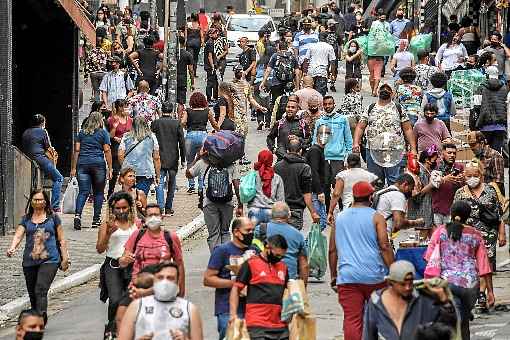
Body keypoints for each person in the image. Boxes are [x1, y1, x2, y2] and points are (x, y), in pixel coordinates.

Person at [329, 181, 393, 340]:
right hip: (374, 277)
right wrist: (393, 271)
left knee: (352, 319)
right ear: (371, 197)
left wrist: (333, 275)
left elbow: (332, 249)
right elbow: (384, 245)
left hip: (348, 277)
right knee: (374, 317)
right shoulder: (377, 217)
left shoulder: (340, 218)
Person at [424, 200, 492, 340]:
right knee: (464, 321)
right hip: (470, 285)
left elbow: (429, 258)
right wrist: (489, 291)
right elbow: (484, 266)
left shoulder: (440, 232)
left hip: (446, 284)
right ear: (468, 216)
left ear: (451, 213)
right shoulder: (475, 234)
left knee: (450, 321)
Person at [6, 189, 69, 323]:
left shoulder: (53, 218)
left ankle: (39, 320)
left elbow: (62, 239)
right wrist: (12, 247)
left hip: (50, 260)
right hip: (29, 261)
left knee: (41, 289)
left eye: (40, 199)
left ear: (46, 201)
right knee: (33, 294)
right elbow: (18, 235)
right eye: (35, 199)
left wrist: (65, 258)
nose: (38, 202)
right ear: (31, 201)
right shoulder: (26, 219)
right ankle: (39, 314)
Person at [453, 160, 506, 310]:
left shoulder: (490, 190)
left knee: (487, 263)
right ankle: (482, 293)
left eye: (474, 175)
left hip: (488, 232)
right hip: (467, 234)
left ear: (481, 175)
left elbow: (499, 214)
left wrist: (502, 233)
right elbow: (454, 216)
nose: (471, 178)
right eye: (468, 175)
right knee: (474, 265)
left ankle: (486, 293)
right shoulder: (460, 193)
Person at [362, 261, 457, 340]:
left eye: (410, 283)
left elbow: (447, 327)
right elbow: (369, 334)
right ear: (390, 282)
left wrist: (444, 301)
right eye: (402, 284)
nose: (407, 288)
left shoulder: (422, 299)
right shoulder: (376, 302)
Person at [118, 262, 203, 340]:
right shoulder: (137, 306)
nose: (165, 282)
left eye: (170, 278)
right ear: (154, 281)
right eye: (160, 277)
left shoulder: (189, 309)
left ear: (177, 282)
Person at [353, 83, 417, 186]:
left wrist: (413, 148)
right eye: (382, 89)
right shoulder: (370, 108)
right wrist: (356, 142)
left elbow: (408, 129)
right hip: (373, 151)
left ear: (392, 93)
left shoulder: (398, 108)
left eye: (388, 89)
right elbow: (360, 127)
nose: (385, 91)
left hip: (394, 151)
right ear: (378, 92)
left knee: (395, 181)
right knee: (375, 182)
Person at [230, 235, 289, 340]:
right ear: (267, 247)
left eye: (282, 256)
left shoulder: (283, 267)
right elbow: (236, 289)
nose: (279, 259)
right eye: (277, 255)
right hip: (257, 325)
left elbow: (286, 292)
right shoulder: (250, 264)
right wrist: (233, 315)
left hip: (280, 326)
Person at [204, 217, 255, 340]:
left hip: (252, 307)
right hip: (226, 307)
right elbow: (208, 279)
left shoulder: (254, 251)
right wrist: (235, 283)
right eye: (248, 231)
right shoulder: (222, 251)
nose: (251, 234)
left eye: (252, 231)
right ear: (237, 232)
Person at [96, 192, 138, 339]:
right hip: (113, 265)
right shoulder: (107, 224)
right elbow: (100, 249)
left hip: (133, 266)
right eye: (117, 208)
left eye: (124, 208)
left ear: (129, 207)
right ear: (112, 208)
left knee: (132, 300)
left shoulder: (136, 224)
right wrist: (108, 233)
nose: (121, 211)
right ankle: (111, 329)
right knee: (115, 300)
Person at [119, 204, 185, 297]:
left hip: (163, 288)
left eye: (156, 215)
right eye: (150, 215)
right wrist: (125, 260)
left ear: (162, 217)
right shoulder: (137, 235)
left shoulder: (170, 237)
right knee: (120, 307)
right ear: (145, 218)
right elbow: (122, 261)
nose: (153, 218)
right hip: (137, 286)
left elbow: (179, 264)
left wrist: (181, 290)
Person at [186, 148, 242, 251]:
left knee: (213, 234)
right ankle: (226, 259)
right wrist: (240, 204)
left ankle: (216, 260)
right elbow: (237, 186)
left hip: (209, 203)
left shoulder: (203, 163)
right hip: (227, 202)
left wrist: (197, 158)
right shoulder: (231, 165)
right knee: (225, 232)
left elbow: (188, 174)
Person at [70, 112, 113, 230]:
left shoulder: (81, 133)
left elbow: (77, 150)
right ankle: (96, 219)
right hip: (98, 164)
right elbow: (107, 150)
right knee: (98, 193)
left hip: (82, 164)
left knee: (83, 192)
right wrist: (110, 168)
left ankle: (78, 215)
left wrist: (73, 168)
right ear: (100, 121)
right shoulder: (103, 133)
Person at [254, 202, 308, 282]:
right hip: (289, 280)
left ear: (271, 215)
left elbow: (252, 254)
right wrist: (302, 288)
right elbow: (304, 265)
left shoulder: (260, 229)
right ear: (289, 216)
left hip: (264, 279)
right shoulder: (298, 235)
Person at [274, 138, 320, 229]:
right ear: (301, 151)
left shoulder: (277, 166)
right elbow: (306, 193)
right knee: (292, 239)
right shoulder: (305, 168)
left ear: (287, 151)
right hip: (296, 210)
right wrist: (313, 213)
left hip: (279, 209)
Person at [21, 114, 64, 211]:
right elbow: (48, 147)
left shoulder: (26, 132)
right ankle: (55, 206)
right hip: (40, 158)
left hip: (28, 159)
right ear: (42, 123)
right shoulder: (43, 131)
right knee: (59, 178)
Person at [151, 102, 186, 216]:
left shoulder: (156, 123)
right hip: (173, 157)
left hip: (159, 157)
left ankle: (160, 207)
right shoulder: (176, 124)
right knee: (171, 183)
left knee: (159, 182)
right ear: (172, 110)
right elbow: (182, 143)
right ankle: (168, 207)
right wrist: (183, 158)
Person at [181, 92, 220, 194]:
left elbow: (182, 122)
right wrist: (219, 130)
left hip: (190, 136)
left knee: (190, 161)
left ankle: (191, 185)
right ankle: (201, 186)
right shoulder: (207, 111)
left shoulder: (188, 111)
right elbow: (214, 124)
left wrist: (186, 127)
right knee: (203, 161)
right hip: (203, 136)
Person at [118, 116, 161, 196]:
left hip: (128, 172)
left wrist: (124, 167)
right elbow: (156, 157)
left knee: (128, 198)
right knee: (141, 198)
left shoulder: (126, 136)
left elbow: (120, 154)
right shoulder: (152, 137)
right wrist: (157, 175)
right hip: (145, 171)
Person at [329, 153, 378, 218]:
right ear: (359, 163)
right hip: (366, 209)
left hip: (349, 208)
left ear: (347, 164)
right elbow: (373, 193)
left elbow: (336, 194)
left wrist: (330, 212)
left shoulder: (342, 175)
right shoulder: (369, 175)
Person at [472, 65, 508, 153]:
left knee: (484, 153)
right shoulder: (504, 88)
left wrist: (474, 123)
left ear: (486, 75)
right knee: (496, 153)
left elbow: (476, 106)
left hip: (485, 125)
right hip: (501, 126)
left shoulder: (481, 88)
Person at [246, 150, 285, 225]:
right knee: (270, 236)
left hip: (254, 210)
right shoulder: (277, 178)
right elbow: (281, 200)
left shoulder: (253, 176)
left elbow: (246, 192)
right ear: (271, 160)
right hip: (271, 212)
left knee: (254, 236)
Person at [261, 40, 299, 116]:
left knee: (276, 103)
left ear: (278, 47)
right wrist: (297, 86)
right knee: (288, 102)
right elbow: (297, 73)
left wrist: (263, 82)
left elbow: (268, 70)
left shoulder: (275, 56)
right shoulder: (292, 56)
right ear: (287, 47)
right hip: (289, 84)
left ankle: (276, 121)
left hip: (276, 83)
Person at [407, 146, 439, 234]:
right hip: (420, 216)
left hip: (428, 215)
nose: (435, 162)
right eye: (434, 160)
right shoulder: (418, 172)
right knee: (421, 242)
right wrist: (431, 185)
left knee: (435, 239)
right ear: (427, 160)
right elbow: (415, 196)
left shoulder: (428, 172)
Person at [432, 140, 464, 225]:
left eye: (454, 153)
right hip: (437, 209)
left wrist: (461, 180)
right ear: (443, 153)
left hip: (452, 210)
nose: (452, 155)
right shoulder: (436, 166)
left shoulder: (460, 167)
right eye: (449, 153)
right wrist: (444, 179)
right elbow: (430, 184)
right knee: (438, 236)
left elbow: (464, 188)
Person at [306, 125, 332, 230]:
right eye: (322, 133)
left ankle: (310, 244)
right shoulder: (315, 151)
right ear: (317, 135)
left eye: (327, 133)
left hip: (319, 191)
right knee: (319, 223)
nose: (324, 136)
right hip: (315, 192)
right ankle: (306, 244)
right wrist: (319, 191)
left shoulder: (320, 150)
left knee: (321, 223)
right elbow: (313, 172)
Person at [107, 99, 133, 198]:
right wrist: (115, 134)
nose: (124, 109)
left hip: (128, 148)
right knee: (116, 170)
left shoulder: (130, 120)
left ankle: (126, 191)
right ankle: (111, 190)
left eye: (126, 106)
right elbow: (109, 135)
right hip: (116, 149)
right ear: (118, 107)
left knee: (127, 170)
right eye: (122, 106)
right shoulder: (112, 119)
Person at [367, 9, 391, 96]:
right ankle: (373, 89)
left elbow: (388, 35)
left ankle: (374, 90)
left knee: (375, 73)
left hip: (379, 52)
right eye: (381, 16)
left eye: (384, 17)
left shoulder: (387, 24)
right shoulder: (375, 23)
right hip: (374, 51)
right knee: (373, 73)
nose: (383, 18)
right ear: (379, 16)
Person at [293, 17, 319, 82]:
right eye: (305, 25)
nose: (307, 26)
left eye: (308, 25)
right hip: (302, 59)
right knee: (303, 77)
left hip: (313, 60)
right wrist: (297, 60)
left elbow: (318, 46)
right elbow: (296, 48)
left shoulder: (315, 35)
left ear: (310, 25)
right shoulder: (298, 35)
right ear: (303, 25)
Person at [85, 36, 109, 102]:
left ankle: (96, 105)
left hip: (94, 73)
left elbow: (87, 64)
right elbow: (107, 63)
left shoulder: (91, 52)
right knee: (103, 91)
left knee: (96, 91)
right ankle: (102, 105)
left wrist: (86, 76)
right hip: (103, 73)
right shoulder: (104, 52)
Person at [177, 35, 195, 117]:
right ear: (184, 43)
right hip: (182, 79)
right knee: (181, 101)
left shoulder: (170, 53)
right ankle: (179, 121)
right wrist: (192, 82)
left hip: (171, 79)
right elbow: (191, 70)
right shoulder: (188, 55)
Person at [324, 19, 342, 92]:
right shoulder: (324, 33)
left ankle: (332, 83)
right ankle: (325, 83)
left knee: (334, 69)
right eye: (332, 24)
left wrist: (340, 53)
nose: (334, 26)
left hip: (334, 54)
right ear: (329, 25)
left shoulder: (337, 34)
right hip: (325, 54)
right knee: (326, 69)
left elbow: (340, 44)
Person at [186, 13, 204, 78]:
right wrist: (202, 43)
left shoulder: (188, 25)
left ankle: (191, 73)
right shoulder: (199, 25)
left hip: (189, 43)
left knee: (190, 58)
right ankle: (194, 72)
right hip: (197, 43)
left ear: (191, 18)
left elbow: (185, 34)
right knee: (195, 58)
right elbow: (201, 36)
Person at [204, 28, 219, 102]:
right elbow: (209, 56)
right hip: (210, 66)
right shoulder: (210, 43)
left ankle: (213, 97)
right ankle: (209, 99)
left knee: (214, 82)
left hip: (210, 66)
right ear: (210, 35)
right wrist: (212, 66)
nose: (216, 34)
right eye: (214, 33)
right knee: (210, 83)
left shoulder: (210, 42)